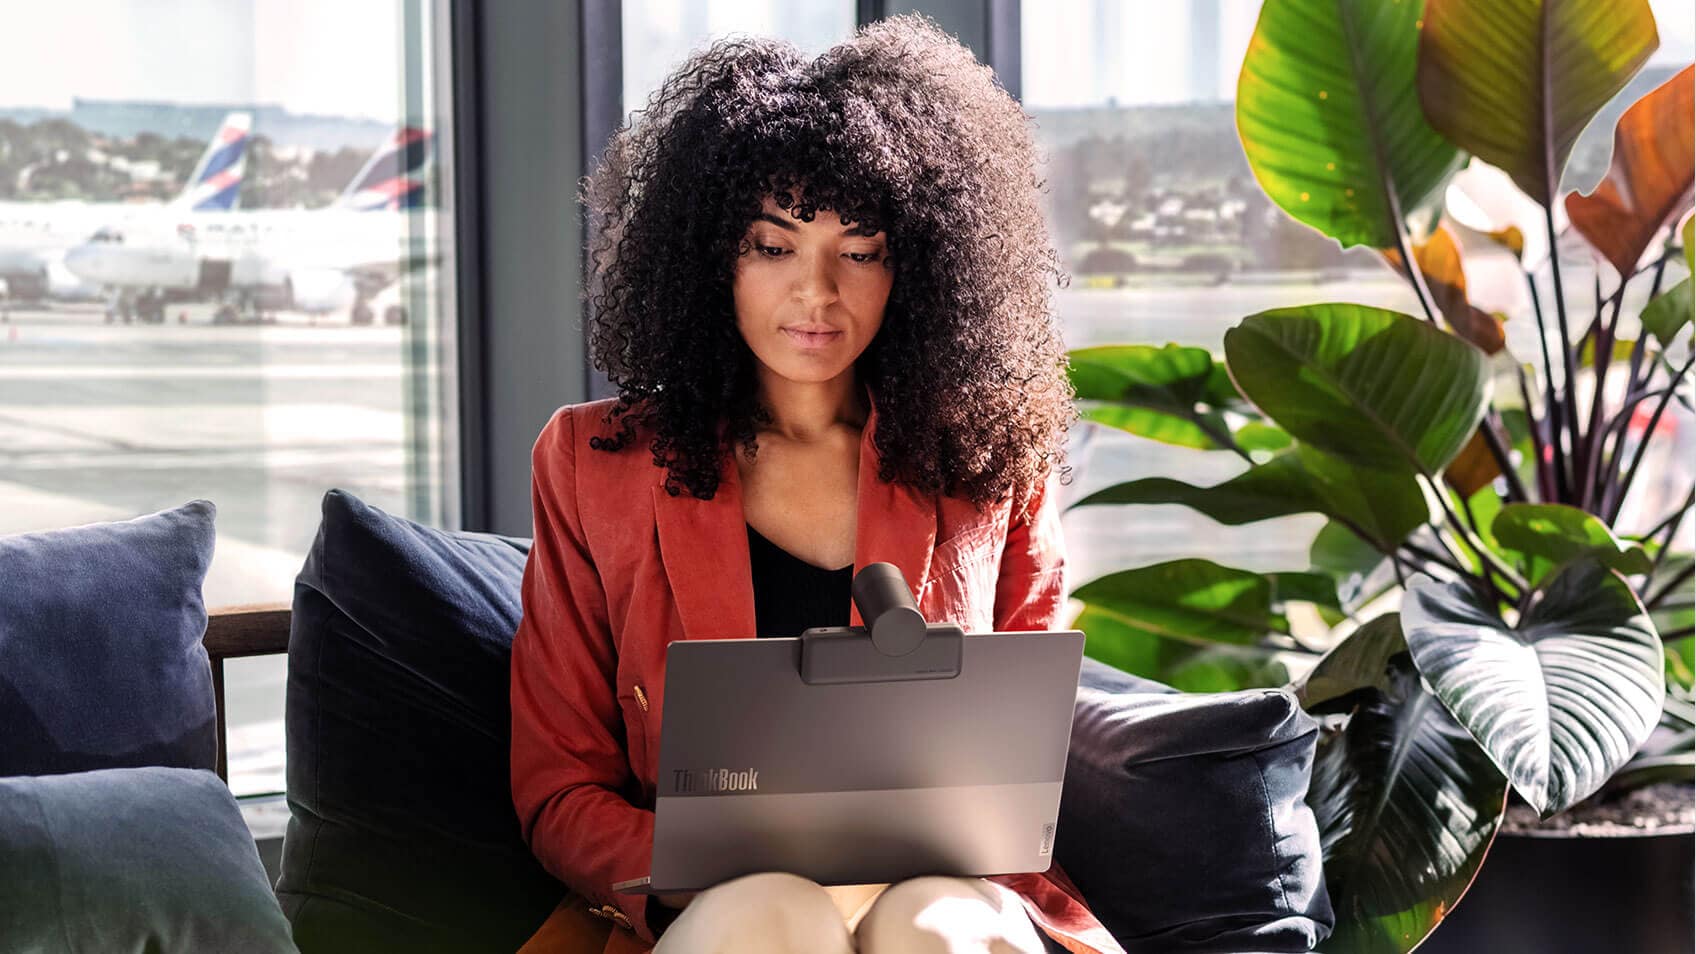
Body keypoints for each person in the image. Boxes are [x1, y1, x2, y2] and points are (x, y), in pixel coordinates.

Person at [511, 14, 1122, 954]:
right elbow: (560, 790)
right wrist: (695, 872)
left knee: (940, 933)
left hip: (941, 888)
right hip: (709, 900)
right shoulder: (594, 464)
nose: (818, 293)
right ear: (710, 255)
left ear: (918, 264)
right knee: (773, 917)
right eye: (774, 245)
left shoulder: (989, 460)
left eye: (861, 250)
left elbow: (1023, 756)